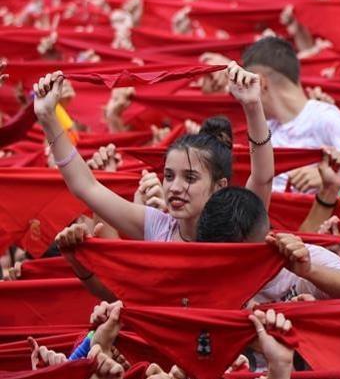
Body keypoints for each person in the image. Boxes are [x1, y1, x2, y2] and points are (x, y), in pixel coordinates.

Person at [33, 63, 274, 244]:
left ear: (220, 186)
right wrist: (48, 117)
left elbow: (262, 177)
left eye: (189, 178)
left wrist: (253, 107)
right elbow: (86, 187)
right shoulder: (158, 227)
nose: (175, 187)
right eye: (169, 176)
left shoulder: (238, 224)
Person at [194, 186, 340, 302]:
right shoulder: (207, 279)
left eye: (240, 258)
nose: (231, 270)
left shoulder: (305, 259)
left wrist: (308, 271)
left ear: (267, 239)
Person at [239, 36, 340, 192]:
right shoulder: (264, 131)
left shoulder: (324, 116)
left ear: (261, 83)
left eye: (247, 85)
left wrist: (326, 178)